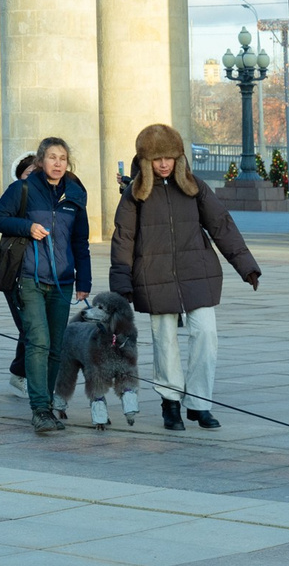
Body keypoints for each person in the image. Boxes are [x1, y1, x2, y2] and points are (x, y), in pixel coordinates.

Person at [108, 123, 260, 431]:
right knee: (164, 341)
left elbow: (222, 225)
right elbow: (123, 238)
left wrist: (246, 266)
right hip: (154, 275)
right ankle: (171, 403)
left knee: (206, 335)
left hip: (197, 273)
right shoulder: (135, 194)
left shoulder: (194, 187)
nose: (164, 164)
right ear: (146, 160)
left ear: (179, 157)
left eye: (170, 157)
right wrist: (121, 283)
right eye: (157, 158)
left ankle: (199, 403)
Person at [0, 136, 90, 433]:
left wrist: (83, 279)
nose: (57, 163)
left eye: (62, 158)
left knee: (56, 346)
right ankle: (39, 409)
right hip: (30, 278)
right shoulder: (23, 188)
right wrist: (26, 226)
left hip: (63, 280)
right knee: (38, 342)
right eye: (52, 157)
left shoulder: (75, 193)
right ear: (40, 161)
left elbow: (80, 241)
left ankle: (47, 402)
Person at [1, 152, 40, 388]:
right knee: (29, 327)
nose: (33, 178)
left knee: (33, 327)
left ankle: (22, 372)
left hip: (40, 272)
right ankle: (21, 374)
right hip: (14, 272)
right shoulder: (14, 196)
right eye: (28, 174)